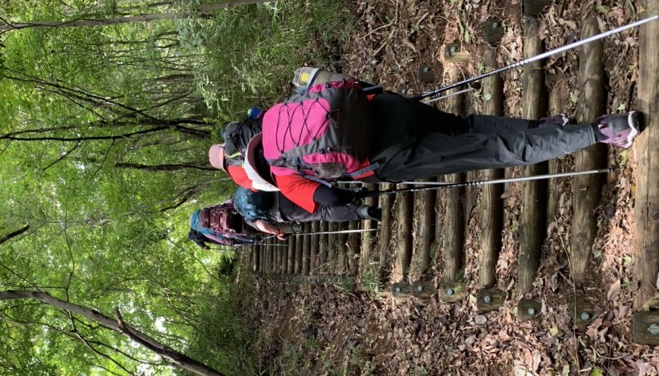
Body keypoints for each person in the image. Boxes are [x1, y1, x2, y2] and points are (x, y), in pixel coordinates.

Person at [208, 68, 644, 213]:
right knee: (468, 126)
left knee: (491, 152)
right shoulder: (278, 115)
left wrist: (357, 206)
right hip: (390, 108)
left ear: (251, 172)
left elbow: (333, 202)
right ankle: (547, 127)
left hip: (391, 157)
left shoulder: (285, 179)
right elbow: (335, 86)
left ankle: (600, 132)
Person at [231, 186, 380, 240]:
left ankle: (363, 212)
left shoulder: (247, 217)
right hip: (282, 189)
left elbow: (263, 226)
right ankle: (352, 194)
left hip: (282, 211)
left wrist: (277, 232)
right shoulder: (244, 185)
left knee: (323, 213)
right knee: (317, 191)